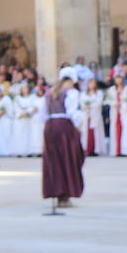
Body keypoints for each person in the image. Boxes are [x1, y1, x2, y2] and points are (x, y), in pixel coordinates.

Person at [41, 66, 85, 207]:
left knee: (54, 161)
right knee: (67, 159)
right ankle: (65, 195)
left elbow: (42, 115)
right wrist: (79, 127)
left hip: (50, 127)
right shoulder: (71, 92)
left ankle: (57, 192)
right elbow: (73, 113)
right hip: (64, 127)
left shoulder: (49, 92)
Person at [80, 77, 105, 156]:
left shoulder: (99, 93)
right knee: (86, 133)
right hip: (86, 115)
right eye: (90, 83)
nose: (92, 85)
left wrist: (90, 106)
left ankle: (95, 149)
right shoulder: (84, 93)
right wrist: (85, 106)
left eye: (93, 83)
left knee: (95, 132)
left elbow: (98, 103)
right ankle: (86, 149)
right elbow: (81, 102)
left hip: (95, 114)